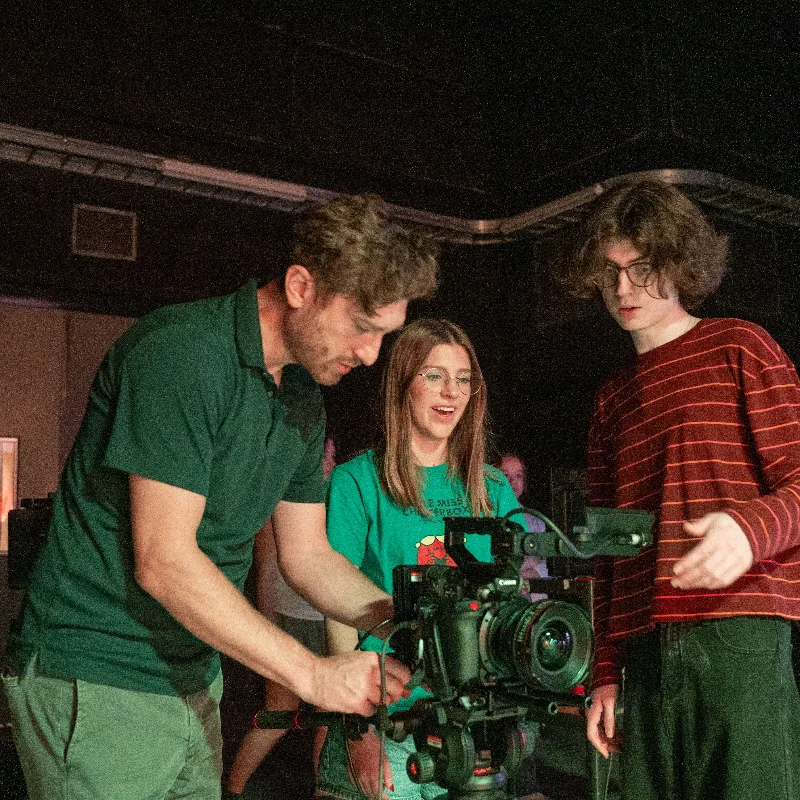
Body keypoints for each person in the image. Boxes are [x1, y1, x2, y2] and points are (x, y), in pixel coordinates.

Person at [2, 193, 438, 800]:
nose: (370, 355)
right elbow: (164, 561)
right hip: (97, 674)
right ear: (300, 286)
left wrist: (412, 619)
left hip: (191, 680)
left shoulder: (303, 398)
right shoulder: (181, 354)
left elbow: (308, 557)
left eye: (383, 334)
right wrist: (312, 673)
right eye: (362, 328)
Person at [565, 178, 800, 800]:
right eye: (611, 272)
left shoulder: (739, 345)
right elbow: (609, 555)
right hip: (642, 652)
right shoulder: (611, 397)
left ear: (678, 263)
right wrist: (606, 673)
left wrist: (750, 532)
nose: (623, 289)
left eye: (641, 269)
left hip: (738, 632)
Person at [315, 318, 523, 800]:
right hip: (389, 720)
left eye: (463, 378)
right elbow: (336, 614)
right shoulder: (357, 481)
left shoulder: (491, 488)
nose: (450, 391)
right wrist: (357, 729)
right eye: (433, 375)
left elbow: (515, 596)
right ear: (402, 384)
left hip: (473, 727)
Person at [226, 438, 337, 797]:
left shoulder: (290, 500)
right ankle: (237, 786)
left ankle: (234, 787)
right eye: (327, 458)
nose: (330, 466)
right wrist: (269, 622)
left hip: (303, 617)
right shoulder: (295, 503)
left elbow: (268, 568)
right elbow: (267, 567)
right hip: (306, 619)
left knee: (292, 711)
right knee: (313, 712)